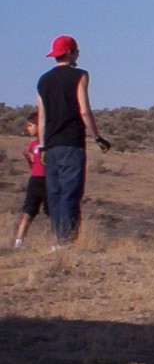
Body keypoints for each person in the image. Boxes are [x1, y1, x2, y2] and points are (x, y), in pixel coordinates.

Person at [36, 35, 111, 247]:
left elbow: (41, 116)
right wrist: (97, 137)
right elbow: (84, 110)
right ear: (70, 52)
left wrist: (42, 145)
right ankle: (67, 241)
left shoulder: (43, 80)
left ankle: (57, 241)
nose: (78, 54)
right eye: (76, 51)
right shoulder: (80, 75)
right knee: (71, 192)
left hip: (50, 145)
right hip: (72, 142)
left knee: (55, 193)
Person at [13, 112, 48, 249]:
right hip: (35, 180)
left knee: (52, 212)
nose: (28, 129)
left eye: (30, 125)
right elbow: (34, 165)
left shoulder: (48, 143)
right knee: (28, 212)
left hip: (48, 180)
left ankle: (58, 241)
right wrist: (28, 157)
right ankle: (18, 243)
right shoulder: (32, 144)